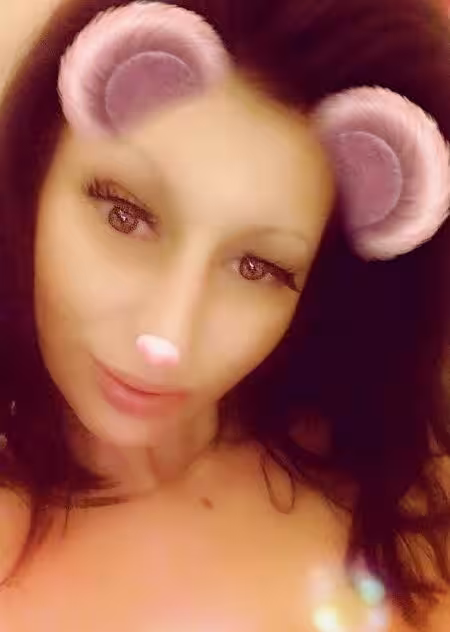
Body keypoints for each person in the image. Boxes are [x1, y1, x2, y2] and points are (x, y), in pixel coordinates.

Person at [0, 0, 448, 630]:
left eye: (256, 267)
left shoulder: (392, 490)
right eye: (125, 216)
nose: (168, 336)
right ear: (35, 175)